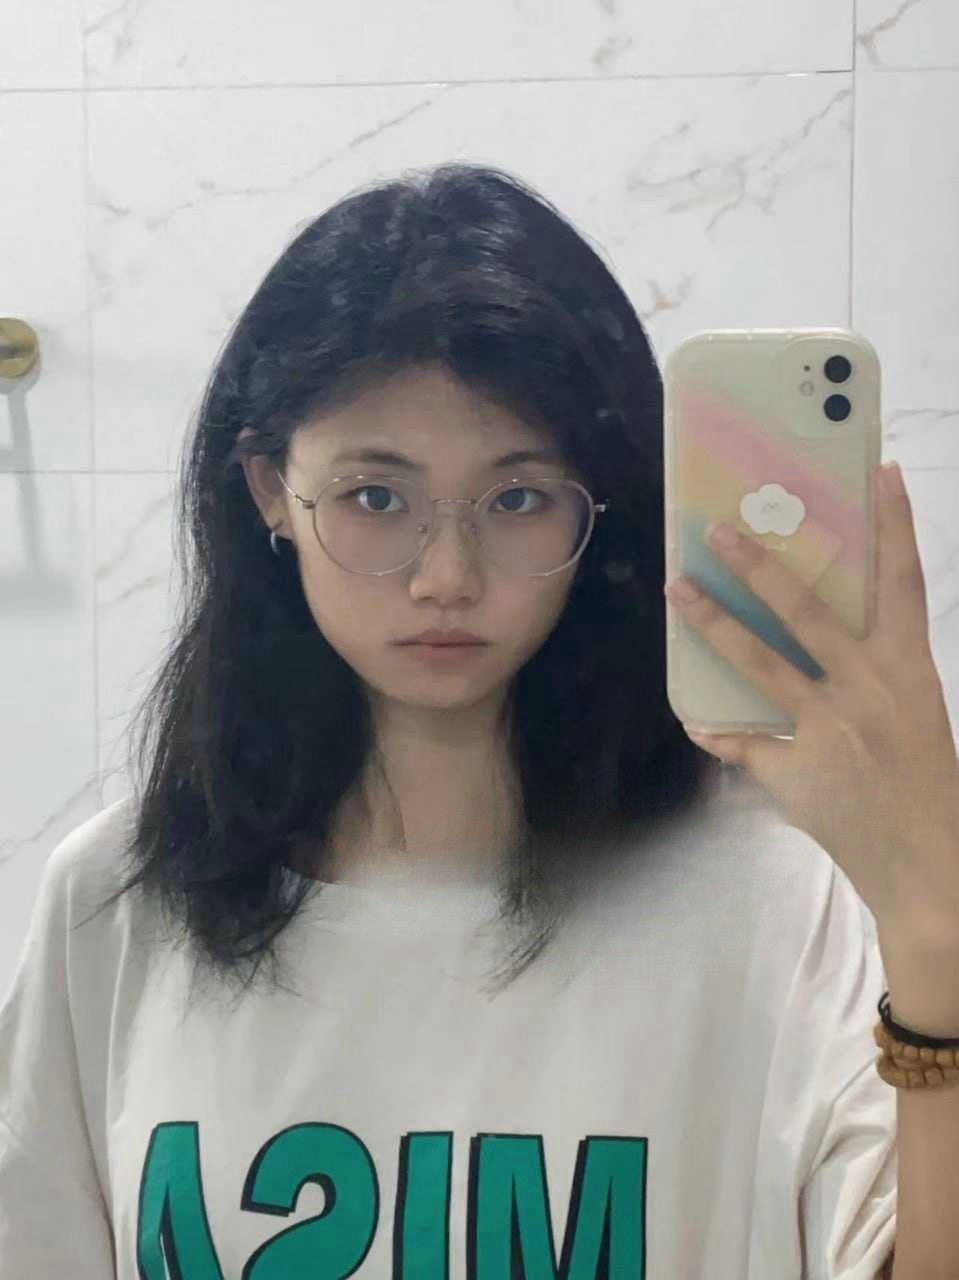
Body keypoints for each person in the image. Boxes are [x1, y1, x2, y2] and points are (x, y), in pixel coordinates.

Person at [0, 163, 896, 1277]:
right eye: (376, 497)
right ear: (271, 490)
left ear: (598, 504)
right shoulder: (116, 901)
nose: (446, 577)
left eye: (517, 498)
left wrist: (934, 914)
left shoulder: (770, 897)